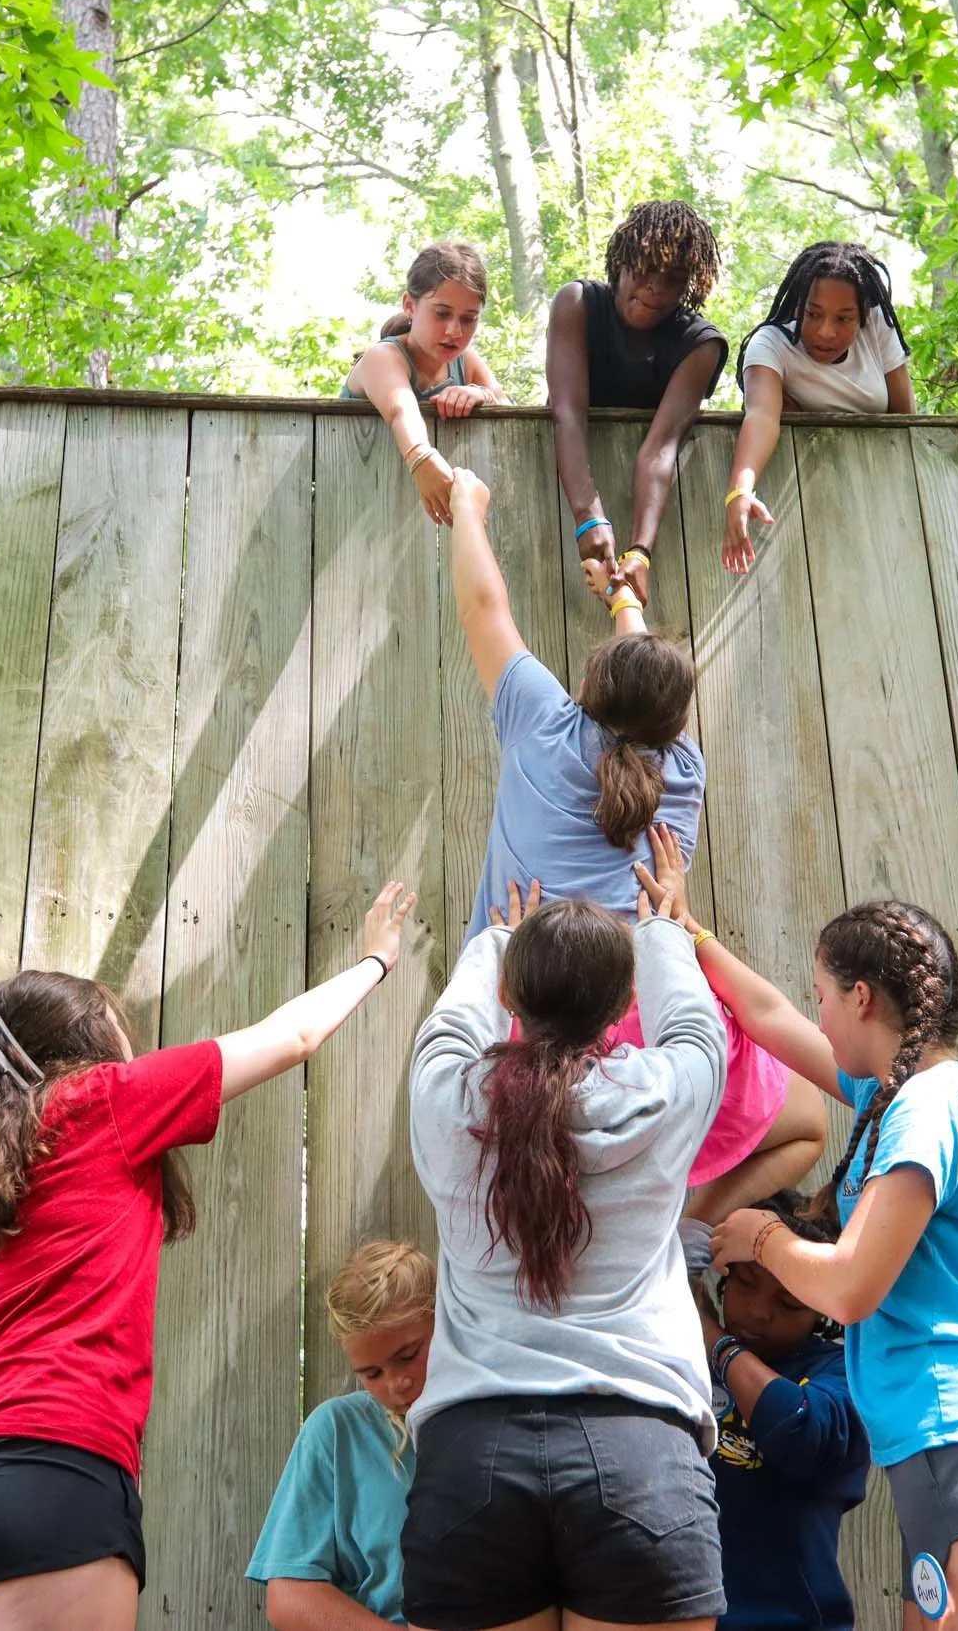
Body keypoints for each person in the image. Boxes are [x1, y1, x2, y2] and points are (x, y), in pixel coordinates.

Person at [0, 884, 419, 1631]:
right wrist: (377, 959)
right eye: (116, 1022)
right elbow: (290, 1036)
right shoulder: (103, 1099)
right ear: (90, 1039)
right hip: (43, 1470)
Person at [633, 830, 958, 1631]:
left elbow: (848, 1285)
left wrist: (759, 1241)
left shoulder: (931, 1104)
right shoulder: (906, 1096)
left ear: (862, 998)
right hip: (943, 1453)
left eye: (822, 992)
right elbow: (769, 1018)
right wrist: (686, 934)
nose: (813, 1006)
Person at [441, 468, 826, 1224]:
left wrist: (467, 507)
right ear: (674, 721)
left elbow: (483, 605)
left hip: (534, 1008)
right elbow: (641, 694)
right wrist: (623, 599)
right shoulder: (682, 771)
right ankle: (681, 1225)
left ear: (587, 686)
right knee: (807, 1117)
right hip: (648, 1006)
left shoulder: (542, 727)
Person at [400, 873, 726, 1631]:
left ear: (510, 1001)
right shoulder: (670, 1091)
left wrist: (496, 942)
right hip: (639, 1452)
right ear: (622, 1010)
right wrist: (660, 931)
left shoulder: (445, 1098)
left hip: (472, 1460)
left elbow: (450, 1023)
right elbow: (696, 1026)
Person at [694, 1191, 870, 1631]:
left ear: (822, 1308)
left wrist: (716, 1343)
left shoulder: (842, 1374)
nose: (758, 1311)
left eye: (789, 1303)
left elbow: (800, 1431)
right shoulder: (683, 1361)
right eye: (745, 1283)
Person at [546, 201, 727, 610]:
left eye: (673, 279)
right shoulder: (577, 304)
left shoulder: (701, 344)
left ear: (690, 285)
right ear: (621, 261)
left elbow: (661, 448)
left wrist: (640, 551)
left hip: (659, 519)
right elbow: (568, 412)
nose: (655, 289)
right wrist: (589, 516)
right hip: (558, 497)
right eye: (644, 270)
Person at [250, 1240, 438, 1630]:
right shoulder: (337, 1431)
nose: (396, 1384)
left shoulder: (489, 1418)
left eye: (408, 1355)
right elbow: (288, 1595)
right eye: (372, 1374)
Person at [721, 244, 914, 574]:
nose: (826, 331)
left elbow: (906, 420)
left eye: (844, 318)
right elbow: (762, 417)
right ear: (798, 306)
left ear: (864, 316)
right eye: (813, 314)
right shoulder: (769, 345)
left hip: (885, 499)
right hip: (801, 508)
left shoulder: (878, 328)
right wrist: (739, 492)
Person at [343, 242, 512, 523]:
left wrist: (480, 393)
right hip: (354, 504)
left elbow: (508, 408)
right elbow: (401, 409)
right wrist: (420, 456)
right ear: (410, 305)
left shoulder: (466, 361)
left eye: (469, 319)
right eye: (442, 313)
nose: (454, 331)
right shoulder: (382, 357)